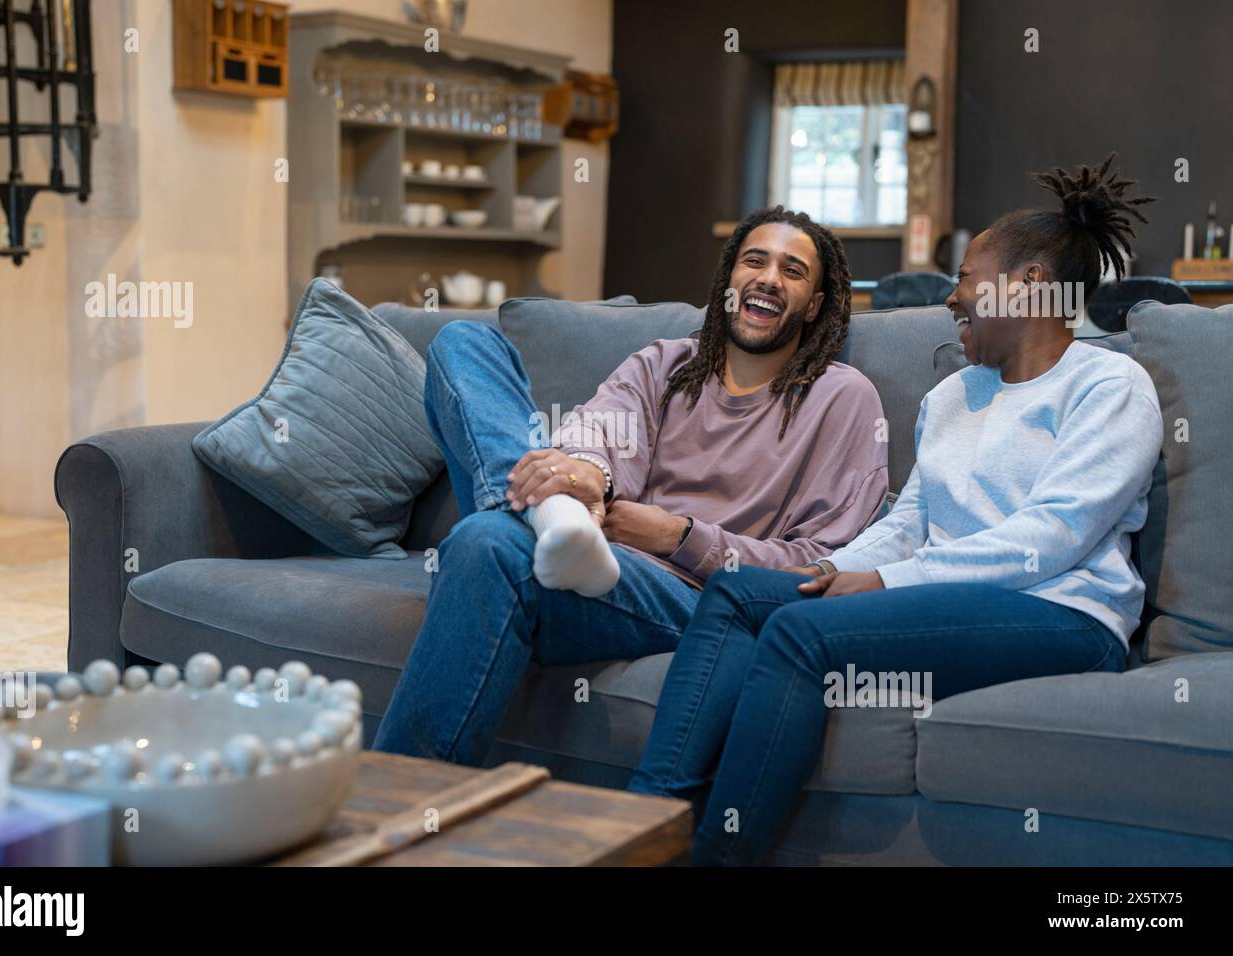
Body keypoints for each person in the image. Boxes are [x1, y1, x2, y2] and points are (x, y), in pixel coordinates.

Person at [627, 154, 1163, 866]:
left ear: (1029, 285)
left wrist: (887, 583)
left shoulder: (1108, 384)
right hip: (950, 596)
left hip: (1062, 613)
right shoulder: (951, 396)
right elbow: (909, 522)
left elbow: (1054, 536)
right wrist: (831, 569)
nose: (951, 298)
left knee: (800, 634)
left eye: (966, 279)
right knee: (733, 593)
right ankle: (637, 828)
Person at [373, 206, 889, 766]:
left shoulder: (843, 398)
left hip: (691, 596)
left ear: (813, 305)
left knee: (486, 540)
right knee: (463, 344)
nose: (768, 277)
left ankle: (538, 521)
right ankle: (548, 520)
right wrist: (587, 474)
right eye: (754, 261)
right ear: (728, 282)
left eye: (792, 271)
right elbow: (595, 432)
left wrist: (678, 536)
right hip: (585, 553)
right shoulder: (665, 364)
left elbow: (821, 566)